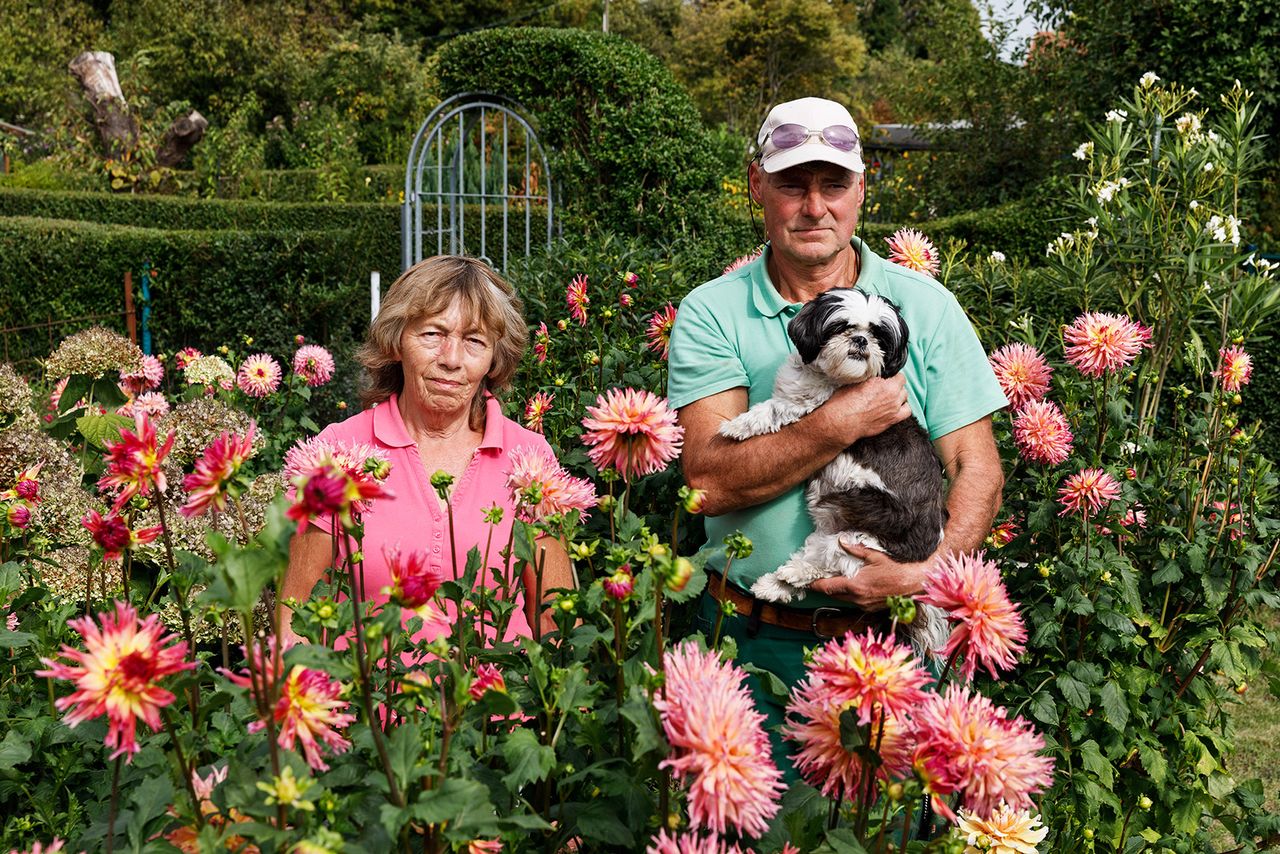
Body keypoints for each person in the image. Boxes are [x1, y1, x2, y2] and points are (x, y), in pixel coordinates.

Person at [667, 97, 1007, 755]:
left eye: (834, 184)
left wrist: (927, 573)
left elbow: (978, 469)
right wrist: (839, 423)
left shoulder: (926, 309)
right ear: (756, 187)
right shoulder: (713, 313)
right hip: (752, 643)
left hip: (892, 643)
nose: (814, 206)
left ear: (861, 189)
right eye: (792, 184)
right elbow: (706, 482)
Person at [283, 255, 574, 642]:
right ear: (397, 341)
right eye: (433, 334)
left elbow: (555, 622)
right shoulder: (339, 452)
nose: (451, 360)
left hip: (493, 698)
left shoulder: (530, 459)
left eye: (474, 341)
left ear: (493, 358)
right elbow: (297, 620)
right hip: (368, 697)